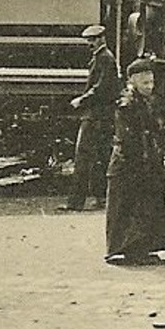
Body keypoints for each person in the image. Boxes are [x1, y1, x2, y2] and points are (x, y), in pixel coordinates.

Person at [103, 57, 165, 265]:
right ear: (132, 80)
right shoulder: (127, 104)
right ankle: (133, 251)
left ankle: (143, 248)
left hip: (144, 161)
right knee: (134, 207)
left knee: (144, 206)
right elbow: (129, 138)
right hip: (130, 164)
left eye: (151, 82)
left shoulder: (144, 101)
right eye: (145, 83)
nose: (150, 87)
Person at [62, 25, 118, 211]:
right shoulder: (102, 58)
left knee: (84, 157)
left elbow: (101, 88)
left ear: (102, 38)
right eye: (88, 40)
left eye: (93, 40)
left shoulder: (105, 59)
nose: (90, 44)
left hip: (96, 115)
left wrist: (81, 100)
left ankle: (76, 203)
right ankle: (100, 198)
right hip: (99, 115)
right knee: (99, 157)